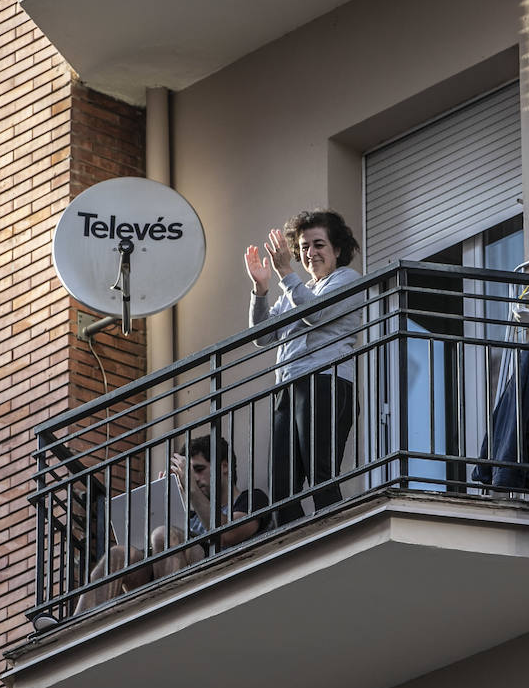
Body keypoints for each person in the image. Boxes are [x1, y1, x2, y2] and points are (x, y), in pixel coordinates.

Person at [245, 208, 362, 526]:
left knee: (320, 473)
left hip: (326, 381)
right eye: (305, 246)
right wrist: (261, 290)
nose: (311, 253)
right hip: (289, 386)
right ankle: (297, 547)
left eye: (319, 244)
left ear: (337, 249)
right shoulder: (293, 291)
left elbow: (316, 315)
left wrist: (285, 274)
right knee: (281, 488)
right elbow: (263, 336)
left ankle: (336, 538)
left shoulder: (346, 279)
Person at [76, 436, 269, 611]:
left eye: (199, 470)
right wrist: (164, 502)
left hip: (218, 582)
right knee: (119, 554)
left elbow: (227, 535)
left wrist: (191, 491)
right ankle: (74, 628)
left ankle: (169, 612)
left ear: (224, 466)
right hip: (170, 579)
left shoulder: (251, 499)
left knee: (164, 534)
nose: (194, 479)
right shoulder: (190, 518)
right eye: (189, 474)